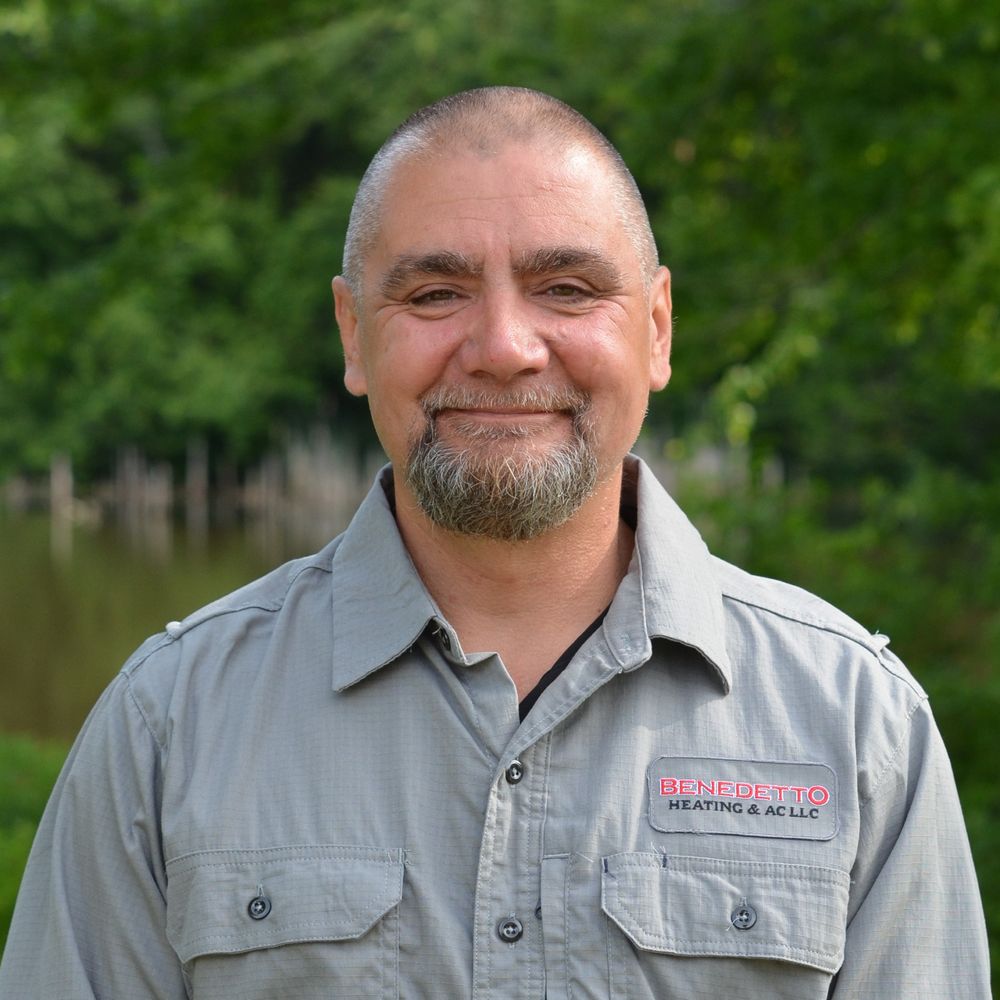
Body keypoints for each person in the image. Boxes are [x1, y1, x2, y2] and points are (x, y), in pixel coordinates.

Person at [0, 86, 989, 999]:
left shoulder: (857, 723)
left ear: (656, 328)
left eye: (567, 288)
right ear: (353, 333)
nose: (505, 347)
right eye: (435, 294)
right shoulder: (168, 726)